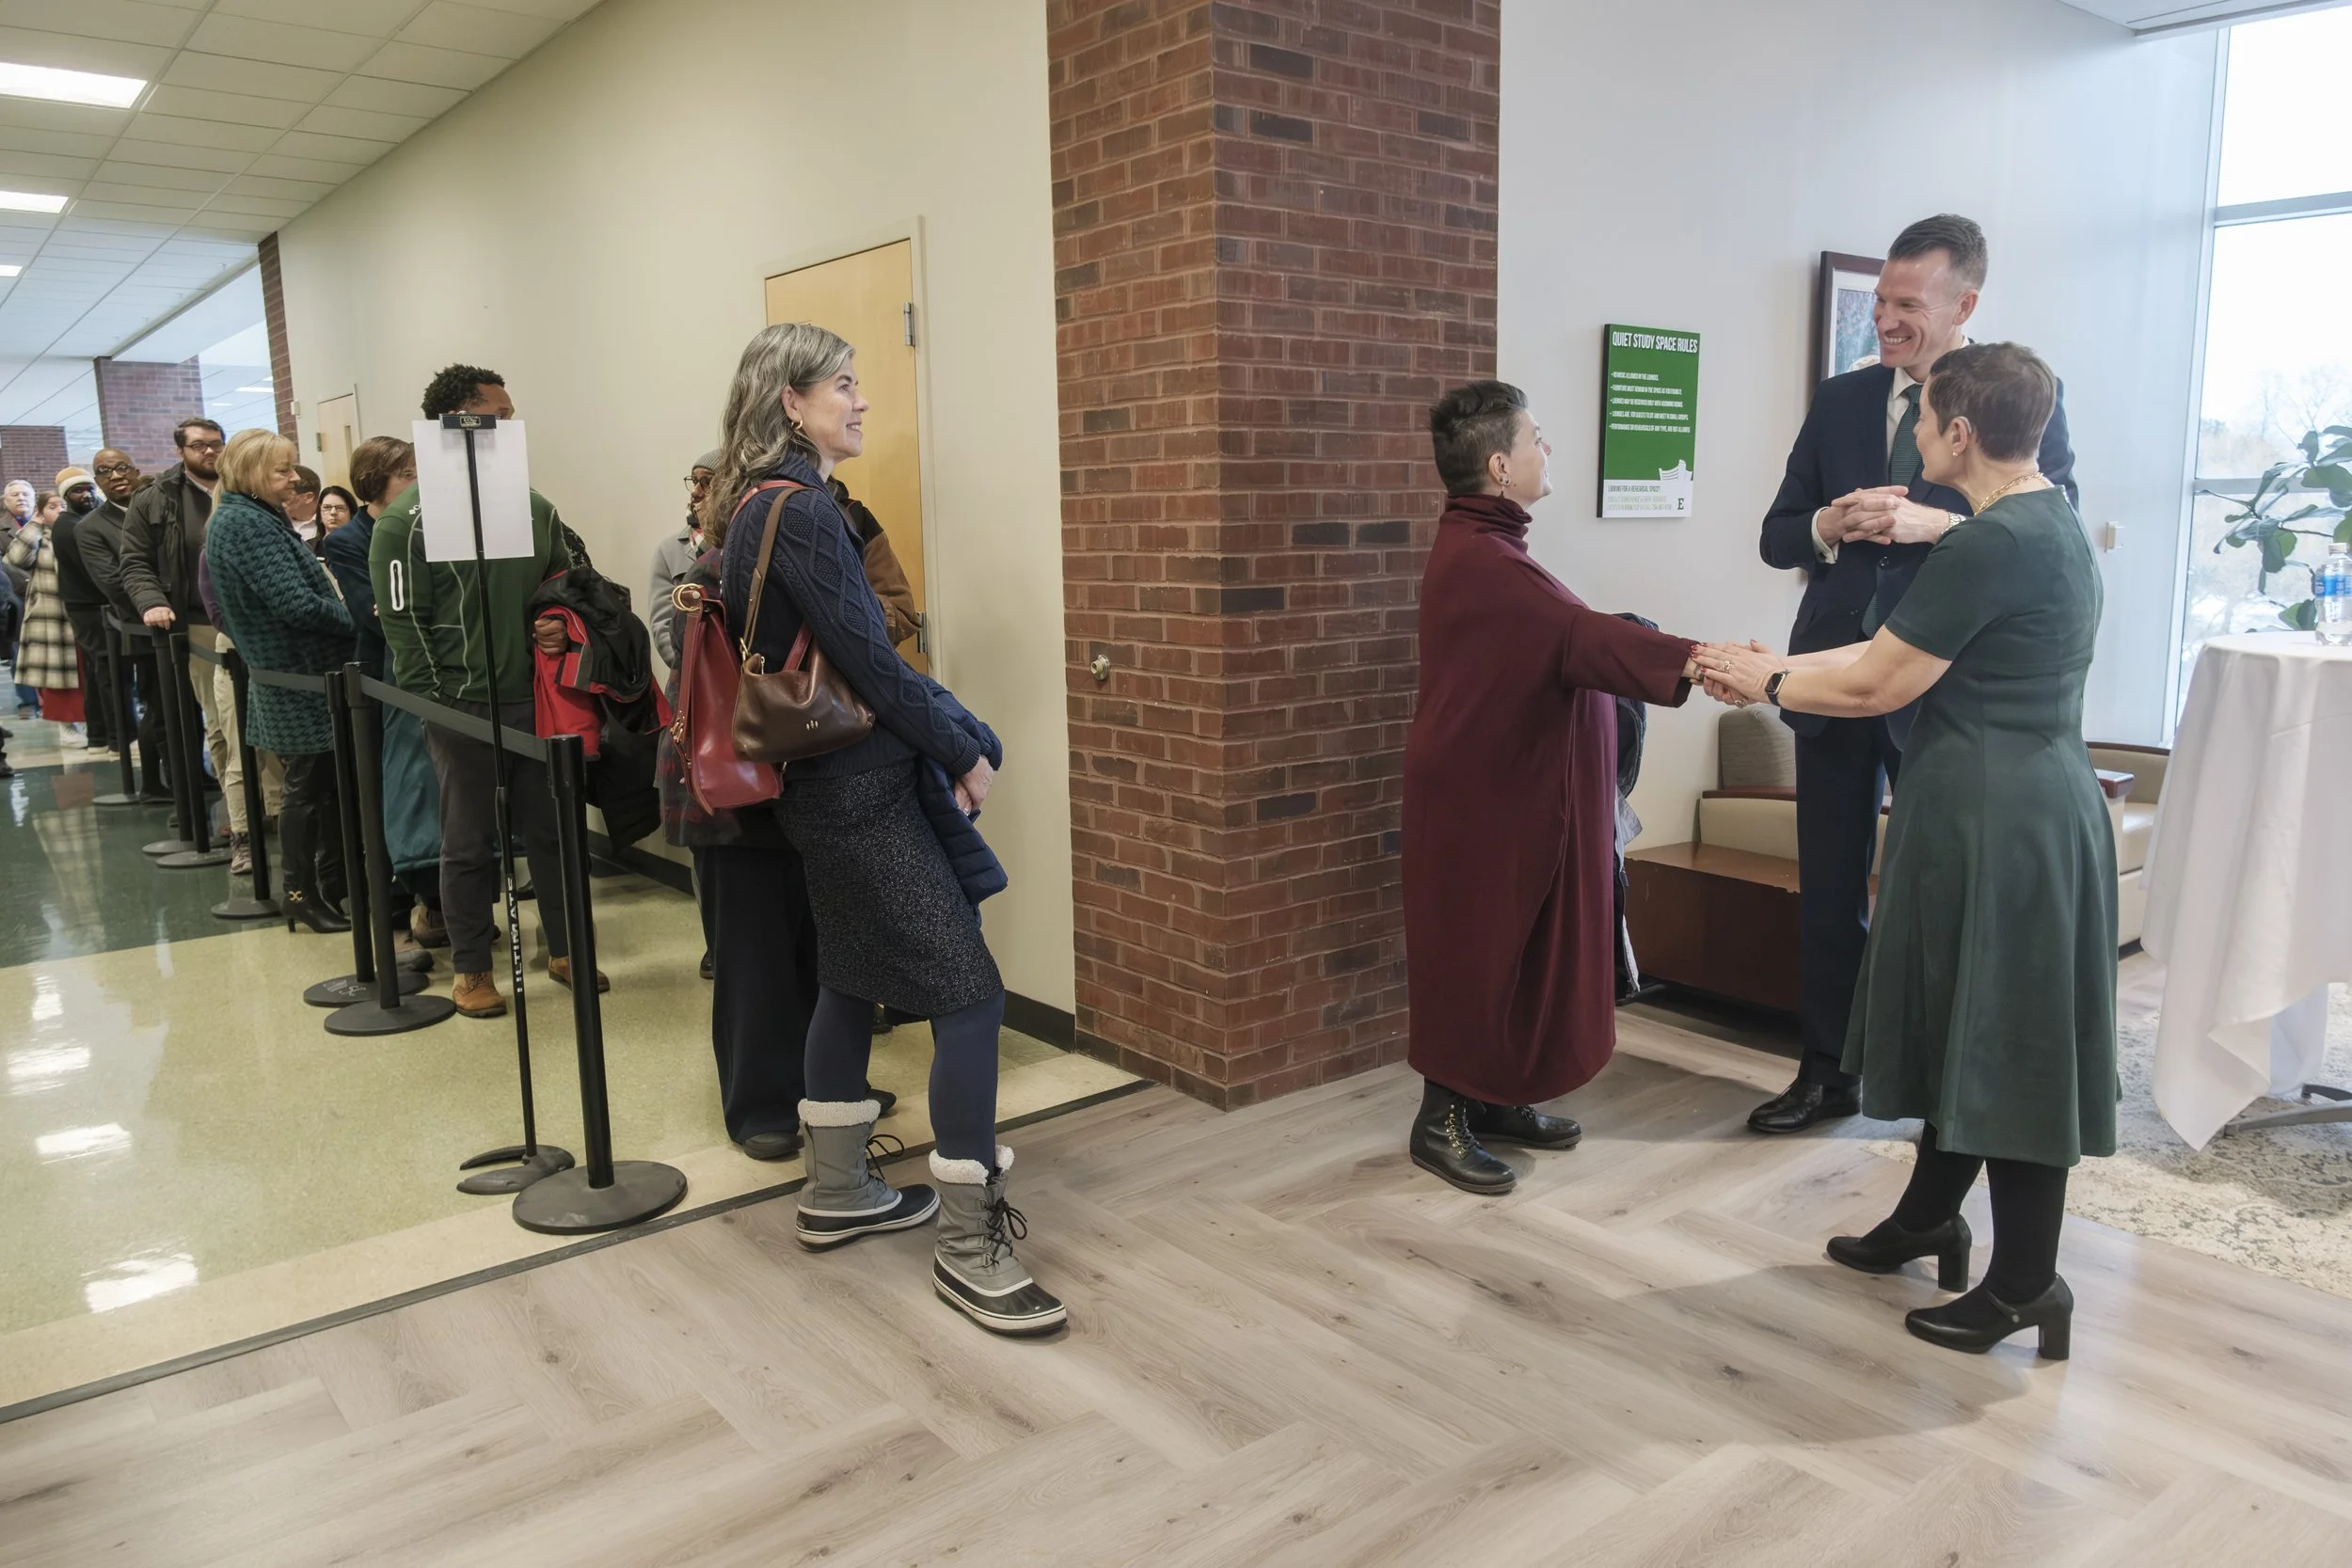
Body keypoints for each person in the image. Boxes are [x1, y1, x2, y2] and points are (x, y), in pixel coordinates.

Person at [1704, 343, 2112, 1359]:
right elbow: (1891, 655)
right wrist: (1779, 664)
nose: (1914, 432)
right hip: (2015, 801)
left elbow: (1879, 686)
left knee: (2008, 1039)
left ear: (1958, 434)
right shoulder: (2037, 519)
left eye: (1925, 417)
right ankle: (1930, 1216)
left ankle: (2027, 1281)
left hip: (1995, 815)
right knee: (1963, 1018)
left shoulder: (1987, 543)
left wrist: (1765, 684)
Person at [715, 321, 1059, 1335]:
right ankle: (967, 1243)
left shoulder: (748, 506)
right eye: (844, 385)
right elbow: (874, 664)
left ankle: (837, 1190)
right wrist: (965, 743)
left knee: (852, 975)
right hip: (861, 792)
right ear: (792, 401)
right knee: (967, 994)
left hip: (820, 790)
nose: (862, 401)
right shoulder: (807, 511)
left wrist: (953, 730)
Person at [1749, 215, 2079, 1136]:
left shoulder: (2019, 402)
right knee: (1827, 886)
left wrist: (1941, 529)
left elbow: (2053, 528)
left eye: (1906, 305)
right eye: (1879, 302)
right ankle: (1827, 1069)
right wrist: (1829, 521)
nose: (1885, 321)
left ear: (1963, 304)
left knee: (1935, 893)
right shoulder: (1842, 401)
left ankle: (1934, 1086)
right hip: (1829, 673)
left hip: (1939, 686)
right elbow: (1777, 535)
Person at [1401, 382, 1703, 1196]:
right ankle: (1441, 1121)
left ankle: (1495, 1097)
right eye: (1538, 438)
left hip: (1494, 792)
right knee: (1473, 956)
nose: (1548, 450)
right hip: (1473, 803)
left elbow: (1562, 636)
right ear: (1501, 465)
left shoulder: (1489, 550)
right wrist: (1698, 660)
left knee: (1515, 952)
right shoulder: (1483, 562)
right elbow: (1575, 635)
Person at [373, 364, 599, 1018]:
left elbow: (565, 582)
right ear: (458, 423)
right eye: (498, 415)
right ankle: (470, 966)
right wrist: (439, 705)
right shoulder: (405, 522)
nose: (510, 426)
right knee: (467, 839)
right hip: (457, 706)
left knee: (553, 831)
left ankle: (565, 947)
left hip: (535, 698)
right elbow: (402, 627)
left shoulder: (533, 507)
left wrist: (557, 622)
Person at [206, 431, 357, 934]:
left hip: (302, 675)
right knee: (307, 792)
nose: (294, 478)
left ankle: (329, 887)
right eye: (282, 470)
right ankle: (301, 895)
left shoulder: (250, 516)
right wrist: (355, 618)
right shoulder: (246, 524)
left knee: (320, 790)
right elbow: (295, 604)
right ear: (250, 475)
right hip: (299, 678)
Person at [120, 418, 255, 847]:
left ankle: (263, 806)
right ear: (181, 450)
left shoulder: (242, 486)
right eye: (199, 446)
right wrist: (151, 602)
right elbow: (135, 559)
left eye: (217, 444)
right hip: (196, 622)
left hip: (250, 620)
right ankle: (241, 822)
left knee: (248, 719)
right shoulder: (156, 497)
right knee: (221, 721)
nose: (210, 452)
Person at [70, 450, 167, 797]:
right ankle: (156, 783)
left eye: (122, 467)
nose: (115, 475)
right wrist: (157, 598)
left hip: (184, 621)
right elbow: (113, 582)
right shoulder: (90, 528)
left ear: (137, 471)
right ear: (98, 482)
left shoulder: (161, 508)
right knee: (159, 705)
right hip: (142, 626)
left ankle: (189, 775)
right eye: (105, 471)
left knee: (188, 704)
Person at [3, 493, 83, 737]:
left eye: (63, 505)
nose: (59, 510)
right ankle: (67, 728)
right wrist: (35, 525)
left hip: (84, 614)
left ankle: (97, 726)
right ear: (40, 512)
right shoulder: (39, 537)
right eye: (52, 506)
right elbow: (15, 559)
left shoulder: (82, 530)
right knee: (58, 678)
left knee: (87, 674)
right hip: (51, 618)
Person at [286, 466, 323, 545]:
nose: (280, 498)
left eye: (287, 494)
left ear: (308, 497)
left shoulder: (330, 523)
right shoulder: (273, 521)